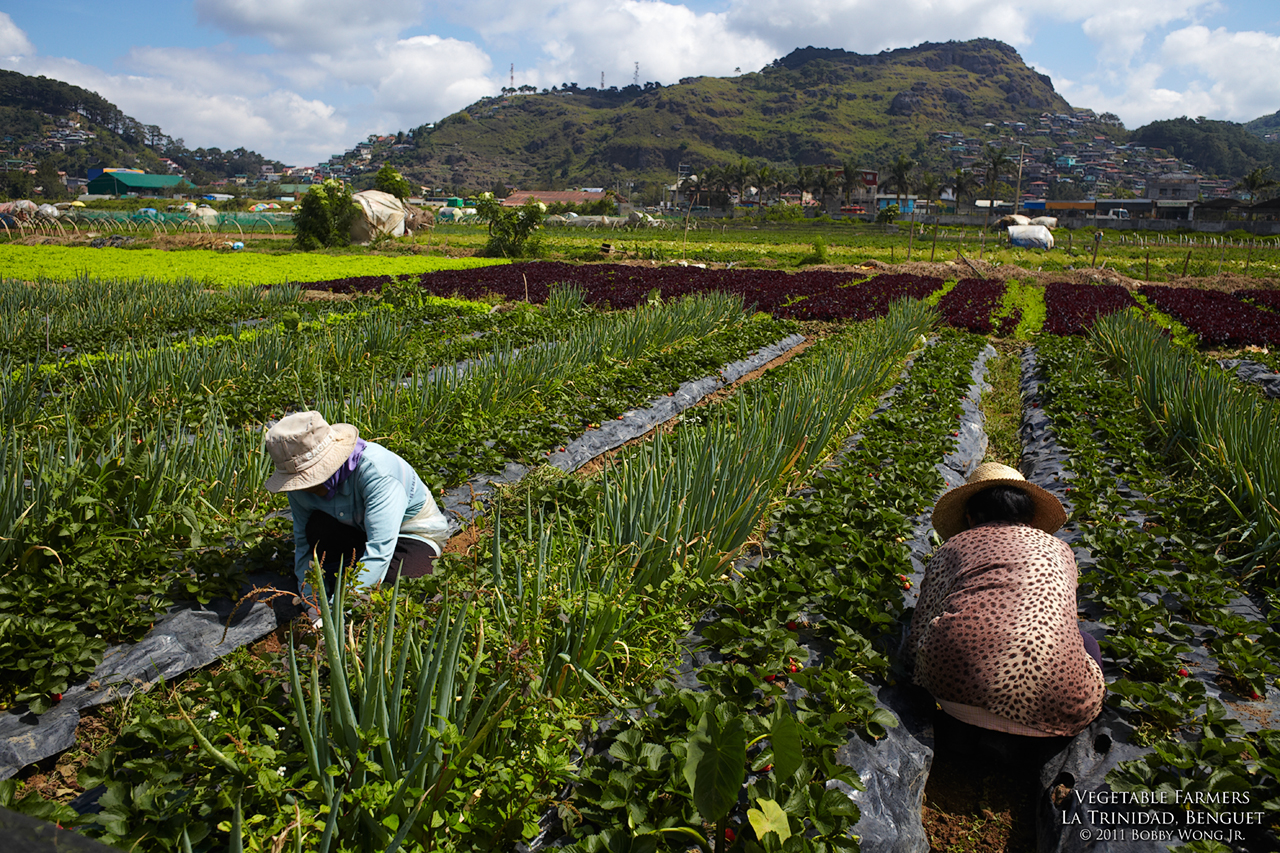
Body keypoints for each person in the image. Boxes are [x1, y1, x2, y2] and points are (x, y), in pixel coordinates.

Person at [907, 462, 1105, 738]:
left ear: (970, 518)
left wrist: (912, 672)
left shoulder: (953, 546)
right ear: (1031, 520)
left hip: (955, 692)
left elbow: (922, 623)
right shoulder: (1061, 550)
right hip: (1057, 708)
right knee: (1088, 643)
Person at [264, 411, 448, 617]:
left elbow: (380, 547)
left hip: (408, 534)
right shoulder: (299, 490)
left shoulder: (376, 472)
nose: (305, 488)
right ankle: (346, 586)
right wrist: (312, 603)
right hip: (355, 530)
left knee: (399, 587)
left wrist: (335, 613)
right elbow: (305, 548)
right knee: (316, 529)